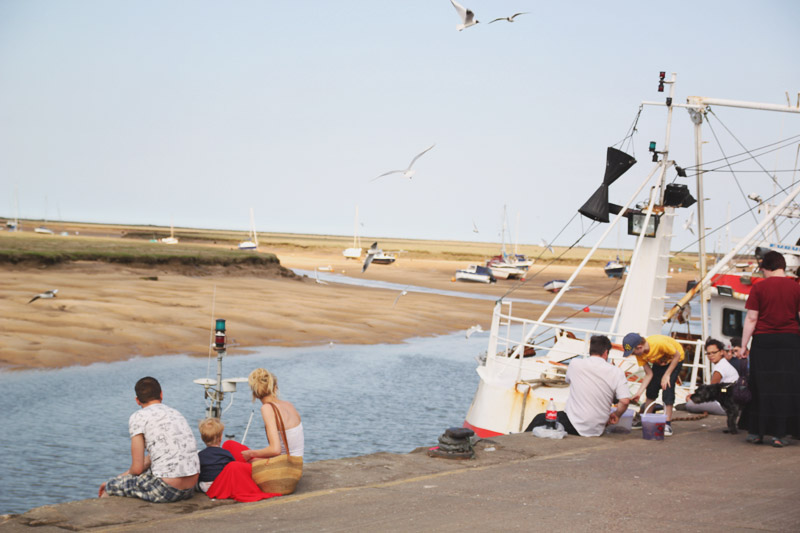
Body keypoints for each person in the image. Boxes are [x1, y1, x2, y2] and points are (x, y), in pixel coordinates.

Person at [99, 377, 200, 502]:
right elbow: (150, 461)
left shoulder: (138, 417)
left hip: (166, 489)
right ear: (161, 394)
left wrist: (114, 481)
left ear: (137, 400)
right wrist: (122, 477)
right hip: (190, 487)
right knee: (141, 477)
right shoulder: (175, 413)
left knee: (110, 487)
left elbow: (137, 469)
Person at [739, 250, 800, 447]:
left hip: (764, 342)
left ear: (768, 267)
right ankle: (780, 435)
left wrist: (743, 346)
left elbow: (751, 318)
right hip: (790, 342)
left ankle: (756, 432)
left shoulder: (759, 288)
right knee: (786, 387)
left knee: (760, 386)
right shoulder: (796, 287)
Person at [525, 335, 631, 437]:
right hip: (598, 428)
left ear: (590, 351)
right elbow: (625, 401)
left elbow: (568, 380)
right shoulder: (617, 372)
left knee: (539, 418)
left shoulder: (575, 364)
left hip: (574, 424)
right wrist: (617, 415)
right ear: (606, 352)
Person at [623, 332, 684, 436]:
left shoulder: (658, 344)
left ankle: (667, 423)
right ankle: (646, 419)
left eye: (633, 352)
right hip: (659, 362)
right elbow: (649, 374)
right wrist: (639, 392)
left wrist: (667, 375)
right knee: (651, 389)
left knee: (667, 388)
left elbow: (677, 355)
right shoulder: (640, 354)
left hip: (675, 360)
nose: (634, 355)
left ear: (639, 347)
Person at [240, 368, 304, 461]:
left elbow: (275, 450)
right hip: (297, 463)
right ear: (275, 388)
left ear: (255, 394)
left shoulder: (267, 408)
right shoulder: (289, 405)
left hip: (284, 465)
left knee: (232, 452)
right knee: (232, 446)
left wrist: (251, 453)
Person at [686, 338, 739, 415]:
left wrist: (692, 397)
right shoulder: (724, 363)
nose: (711, 356)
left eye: (714, 352)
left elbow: (710, 391)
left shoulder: (719, 368)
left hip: (726, 406)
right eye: (708, 353)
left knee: (690, 404)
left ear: (721, 352)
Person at [197, 418, 234, 493]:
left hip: (204, 487)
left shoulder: (200, 455)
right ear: (221, 438)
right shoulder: (226, 454)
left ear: (202, 438)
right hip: (221, 485)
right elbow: (232, 469)